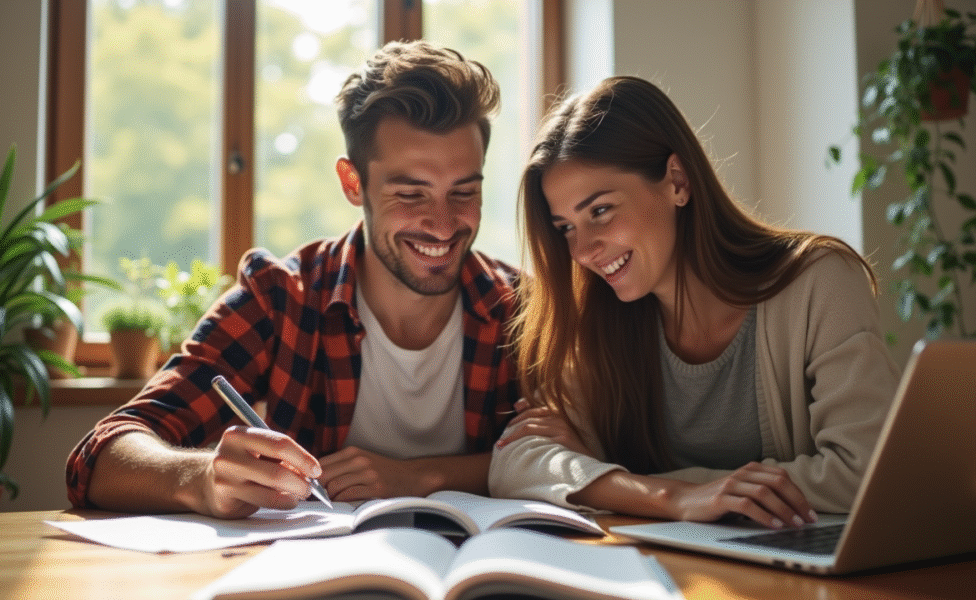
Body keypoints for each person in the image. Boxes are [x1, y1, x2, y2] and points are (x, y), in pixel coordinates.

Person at [66, 40, 520, 518]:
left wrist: (424, 477)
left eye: (464, 192)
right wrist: (203, 479)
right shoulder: (283, 299)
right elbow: (99, 458)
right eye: (411, 194)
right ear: (353, 183)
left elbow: (569, 455)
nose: (443, 226)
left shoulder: (524, 309)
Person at [488, 76, 900, 529]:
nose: (583, 251)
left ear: (677, 181)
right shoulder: (602, 318)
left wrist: (631, 484)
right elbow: (515, 461)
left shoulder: (819, 282)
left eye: (600, 211)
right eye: (566, 227)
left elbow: (866, 473)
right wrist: (674, 498)